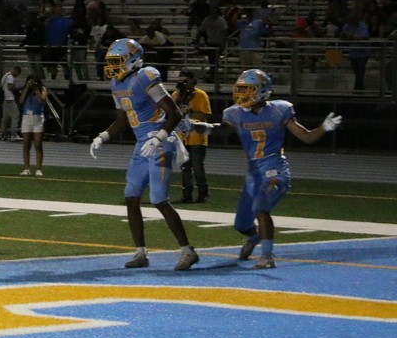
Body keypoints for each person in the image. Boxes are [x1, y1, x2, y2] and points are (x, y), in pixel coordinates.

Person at [193, 69, 341, 268]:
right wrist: (195, 126)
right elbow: (221, 129)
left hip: (275, 169)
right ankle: (254, 236)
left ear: (262, 91)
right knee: (241, 225)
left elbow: (306, 137)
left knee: (260, 207)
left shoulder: (279, 110)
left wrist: (324, 128)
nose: (242, 93)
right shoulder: (235, 113)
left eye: (248, 89)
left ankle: (267, 257)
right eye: (241, 89)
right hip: (253, 173)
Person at [89, 38, 199, 271]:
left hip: (160, 142)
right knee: (131, 197)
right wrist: (103, 136)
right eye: (112, 61)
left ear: (132, 60)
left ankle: (188, 251)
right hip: (141, 145)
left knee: (159, 200)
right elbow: (122, 120)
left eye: (117, 61)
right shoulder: (116, 84)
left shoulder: (145, 76)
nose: (113, 66)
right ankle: (140, 253)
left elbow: (174, 113)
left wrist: (159, 137)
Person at [172, 70, 211, 203]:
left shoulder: (200, 95)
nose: (182, 83)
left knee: (197, 166)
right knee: (185, 168)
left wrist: (190, 111)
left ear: (192, 81)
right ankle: (186, 195)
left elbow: (205, 115)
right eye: (180, 80)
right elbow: (170, 112)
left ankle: (203, 193)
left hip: (196, 136)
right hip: (182, 136)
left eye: (185, 80)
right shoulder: (176, 95)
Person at [18, 75, 48, 176]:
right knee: (26, 145)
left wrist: (36, 90)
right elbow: (21, 101)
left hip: (38, 117)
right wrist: (26, 88)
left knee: (38, 144)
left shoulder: (42, 89)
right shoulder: (26, 90)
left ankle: (38, 169)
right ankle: (27, 168)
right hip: (27, 117)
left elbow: (41, 101)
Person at [0, 65, 22, 140]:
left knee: (5, 118)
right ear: (16, 71)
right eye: (17, 74)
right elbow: (10, 87)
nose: (17, 76)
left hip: (5, 99)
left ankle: (2, 134)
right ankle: (14, 134)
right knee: (15, 116)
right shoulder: (10, 77)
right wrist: (17, 88)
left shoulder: (6, 75)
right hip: (10, 99)